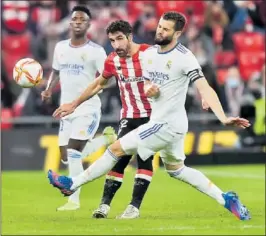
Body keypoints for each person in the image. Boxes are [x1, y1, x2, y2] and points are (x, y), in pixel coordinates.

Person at [48, 12, 251, 221]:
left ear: (178, 33)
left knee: (115, 149)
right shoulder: (150, 54)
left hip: (166, 124)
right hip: (169, 124)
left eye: (166, 29)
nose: (160, 30)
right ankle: (226, 198)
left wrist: (223, 117)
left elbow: (204, 86)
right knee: (177, 170)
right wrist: (149, 89)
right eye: (160, 26)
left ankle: (71, 185)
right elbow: (146, 82)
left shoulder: (184, 57)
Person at [50, 20, 156, 219]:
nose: (116, 45)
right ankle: (104, 206)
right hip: (128, 116)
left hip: (152, 117)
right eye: (112, 41)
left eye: (120, 39)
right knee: (118, 160)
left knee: (144, 158)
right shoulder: (112, 60)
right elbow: (98, 84)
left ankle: (133, 207)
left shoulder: (149, 54)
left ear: (130, 37)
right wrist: (74, 104)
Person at [41, 5, 116, 211]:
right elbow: (56, 71)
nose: (78, 22)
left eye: (82, 19)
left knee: (74, 153)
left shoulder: (96, 51)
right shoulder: (60, 48)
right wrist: (48, 90)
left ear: (89, 24)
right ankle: (105, 140)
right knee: (67, 157)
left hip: (88, 108)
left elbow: (109, 78)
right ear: (70, 23)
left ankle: (73, 200)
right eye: (75, 19)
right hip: (65, 109)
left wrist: (99, 85)